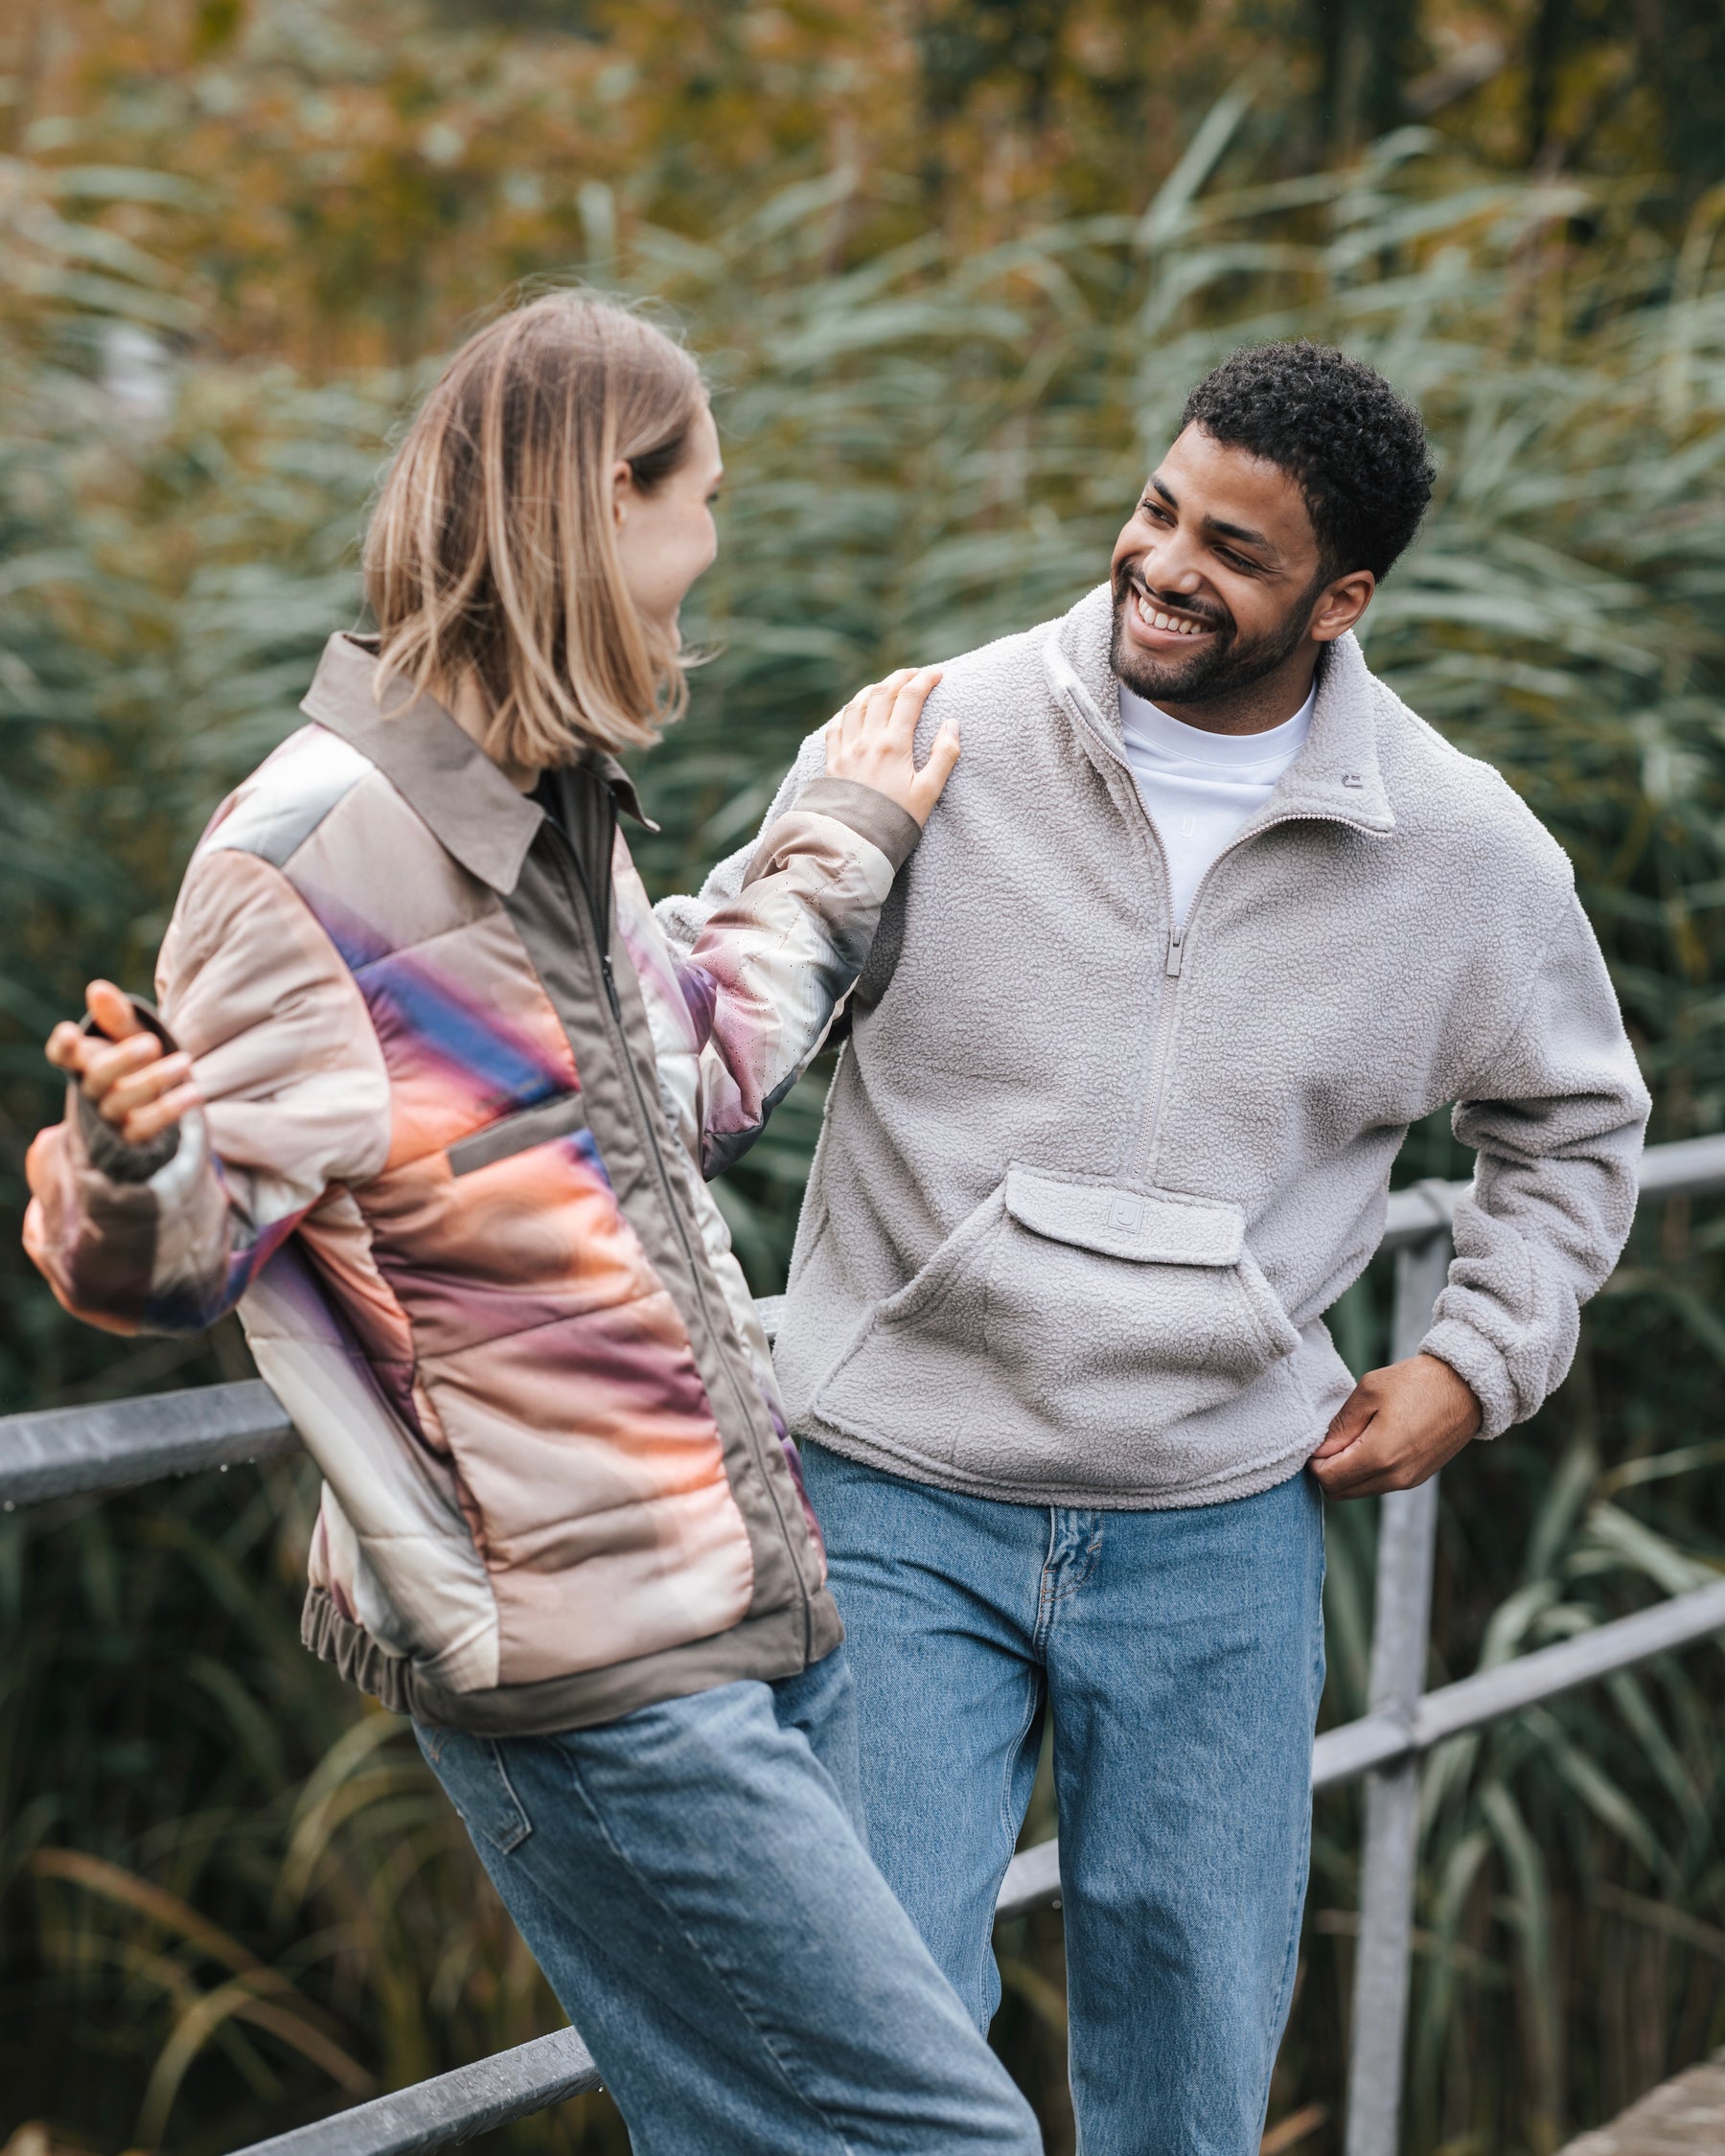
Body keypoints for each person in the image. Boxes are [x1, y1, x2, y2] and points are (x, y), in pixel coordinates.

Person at [22, 293, 1042, 2156]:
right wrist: (135, 1163)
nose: (714, 541)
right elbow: (183, 1263)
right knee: (941, 2140)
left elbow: (704, 1075)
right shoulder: (304, 855)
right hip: (586, 1669)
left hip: (742, 1598)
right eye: (700, 492)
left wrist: (842, 825)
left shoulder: (550, 810)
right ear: (606, 502)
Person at [662, 341, 1650, 2156]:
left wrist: (1471, 1362)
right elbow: (729, 1002)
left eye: (1238, 551)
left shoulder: (1460, 850)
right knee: (867, 2042)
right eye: (1157, 509)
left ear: (1342, 599)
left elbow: (1577, 1128)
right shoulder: (924, 740)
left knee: (1192, 2053)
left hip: (1221, 1521)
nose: (1166, 565)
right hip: (889, 1491)